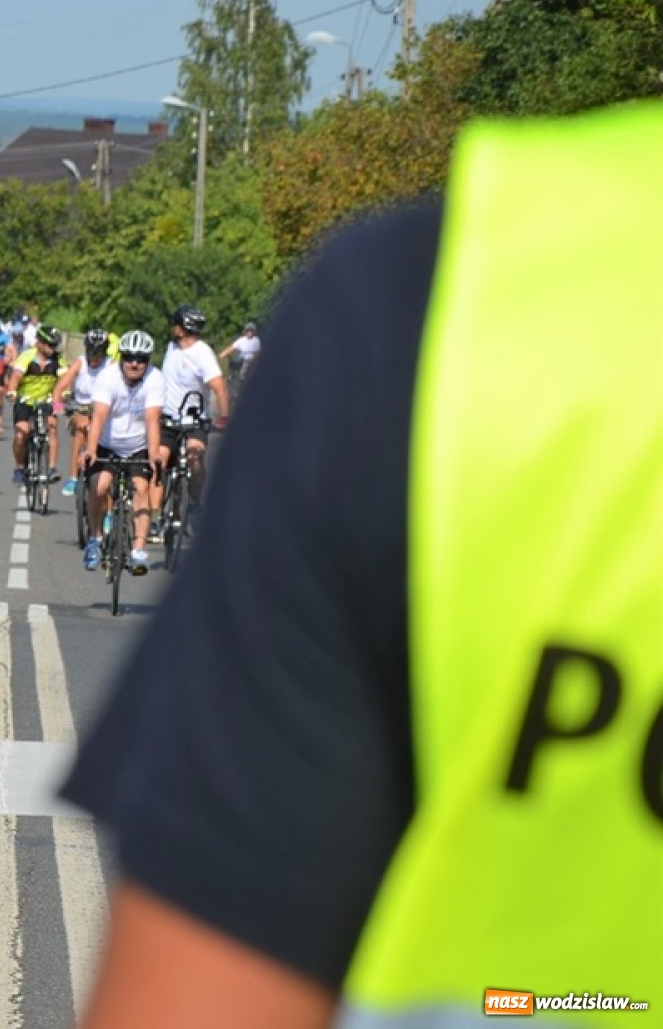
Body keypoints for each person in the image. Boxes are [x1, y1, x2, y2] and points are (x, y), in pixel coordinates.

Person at [64, 103, 663, 1027]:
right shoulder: (425, 305)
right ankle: (116, 525)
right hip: (134, 432)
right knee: (120, 469)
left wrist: (215, 424)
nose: (177, 340)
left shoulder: (450, 292)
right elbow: (109, 415)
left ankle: (152, 526)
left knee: (179, 459)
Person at [80, 331, 163, 575]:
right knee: (99, 487)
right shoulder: (107, 377)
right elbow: (98, 417)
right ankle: (95, 539)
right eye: (129, 358)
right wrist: (91, 449)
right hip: (108, 444)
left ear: (148, 360)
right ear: (121, 358)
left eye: (141, 359)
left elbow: (152, 419)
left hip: (137, 445)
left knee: (141, 488)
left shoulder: (155, 379)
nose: (134, 364)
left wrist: (154, 452)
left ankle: (138, 550)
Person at [152, 304, 230, 521]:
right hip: (168, 419)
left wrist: (224, 418)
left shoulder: (202, 353)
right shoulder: (171, 347)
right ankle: (155, 515)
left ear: (181, 328)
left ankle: (195, 500)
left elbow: (219, 387)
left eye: (174, 324)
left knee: (195, 456)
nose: (171, 328)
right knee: (159, 460)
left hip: (194, 420)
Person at [53, 327, 115, 498]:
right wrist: (57, 410)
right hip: (80, 408)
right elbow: (59, 388)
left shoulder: (111, 365)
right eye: (91, 353)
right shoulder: (80, 362)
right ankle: (73, 477)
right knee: (80, 430)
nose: (94, 358)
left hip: (102, 410)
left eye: (98, 354)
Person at [5, 323, 65, 486]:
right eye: (50, 345)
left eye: (55, 345)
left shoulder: (58, 360)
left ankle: (52, 468)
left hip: (50, 400)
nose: (53, 349)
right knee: (21, 433)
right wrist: (12, 392)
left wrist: (63, 398)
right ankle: (19, 467)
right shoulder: (27, 356)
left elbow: (65, 381)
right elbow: (15, 377)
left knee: (53, 426)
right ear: (39, 343)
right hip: (26, 400)